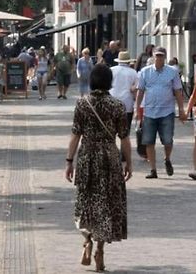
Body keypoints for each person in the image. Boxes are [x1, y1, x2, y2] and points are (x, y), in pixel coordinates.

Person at [65, 64, 132, 272]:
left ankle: (87, 238)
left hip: (87, 157)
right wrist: (128, 162)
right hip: (109, 157)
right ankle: (100, 249)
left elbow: (76, 134)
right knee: (106, 203)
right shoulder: (117, 105)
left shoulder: (82, 104)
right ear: (109, 82)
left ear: (92, 81)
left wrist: (69, 161)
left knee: (85, 200)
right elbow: (125, 138)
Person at [135, 46, 187, 179]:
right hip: (149, 111)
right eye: (157, 55)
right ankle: (153, 169)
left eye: (161, 55)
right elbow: (140, 91)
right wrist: (137, 109)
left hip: (167, 111)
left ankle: (167, 158)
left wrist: (181, 109)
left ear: (165, 57)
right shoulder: (145, 72)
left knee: (168, 140)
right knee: (149, 141)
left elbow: (177, 91)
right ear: (153, 56)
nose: (159, 58)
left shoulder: (172, 72)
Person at [110, 51, 138, 132]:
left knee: (112, 128)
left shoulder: (111, 70)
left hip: (113, 101)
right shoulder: (133, 72)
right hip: (127, 103)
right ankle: (124, 143)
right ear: (129, 61)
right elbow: (136, 88)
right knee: (125, 130)